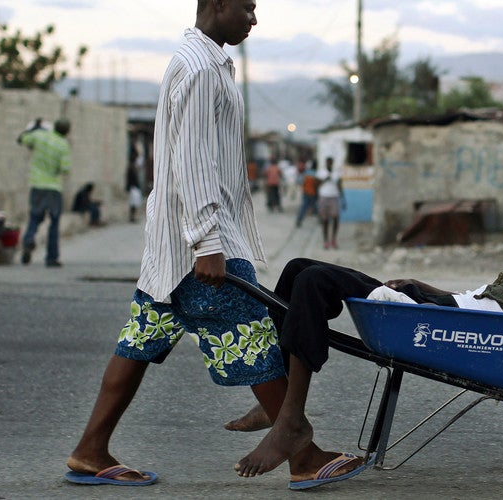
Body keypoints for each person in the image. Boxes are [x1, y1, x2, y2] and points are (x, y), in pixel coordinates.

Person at [64, 1, 365, 489]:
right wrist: (208, 241)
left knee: (139, 341)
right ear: (218, 4)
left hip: (172, 252)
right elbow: (193, 161)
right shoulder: (201, 68)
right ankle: (303, 454)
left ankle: (89, 449)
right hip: (200, 247)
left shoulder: (202, 60)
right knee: (249, 334)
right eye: (247, 7)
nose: (253, 18)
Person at [232, 251, 503, 480]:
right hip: (446, 309)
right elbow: (484, 299)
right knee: (298, 271)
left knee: (311, 282)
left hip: (458, 325)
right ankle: (280, 398)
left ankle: (289, 420)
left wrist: (437, 302)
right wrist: (428, 289)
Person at [17, 117, 72, 267]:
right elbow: (64, 168)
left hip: (37, 184)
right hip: (54, 187)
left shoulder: (40, 136)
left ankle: (28, 240)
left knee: (35, 216)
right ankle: (51, 258)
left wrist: (34, 127)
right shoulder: (63, 145)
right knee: (54, 222)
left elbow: (22, 139)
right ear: (67, 132)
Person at [315, 157, 345, 249]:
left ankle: (333, 239)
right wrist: (325, 179)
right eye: (327, 163)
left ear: (332, 163)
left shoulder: (336, 173)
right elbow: (316, 185)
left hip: (334, 197)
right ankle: (325, 241)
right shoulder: (321, 172)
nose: (329, 164)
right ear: (325, 163)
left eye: (330, 163)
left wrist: (343, 199)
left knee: (336, 218)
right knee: (325, 220)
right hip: (324, 197)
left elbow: (340, 186)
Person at [295, 160, 318, 227]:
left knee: (304, 207)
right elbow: (316, 185)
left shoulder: (306, 173)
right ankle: (321, 219)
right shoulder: (316, 174)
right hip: (313, 193)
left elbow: (300, 182)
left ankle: (299, 220)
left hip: (305, 192)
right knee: (315, 207)